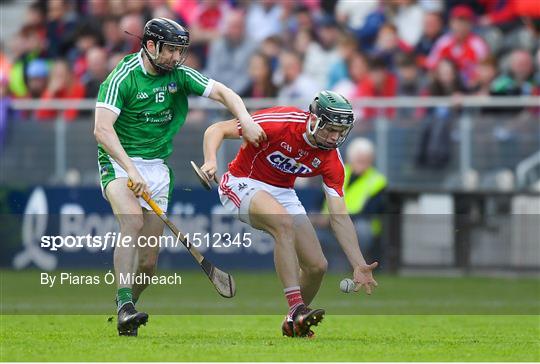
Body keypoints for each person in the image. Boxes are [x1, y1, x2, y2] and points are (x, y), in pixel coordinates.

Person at [93, 17, 265, 337]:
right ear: (150, 45)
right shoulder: (122, 77)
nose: (176, 57)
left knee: (147, 264)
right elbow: (101, 130)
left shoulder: (179, 75)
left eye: (179, 50)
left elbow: (224, 92)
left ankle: (126, 305)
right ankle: (125, 305)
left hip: (157, 168)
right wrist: (130, 170)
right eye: (170, 50)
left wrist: (245, 118)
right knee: (131, 221)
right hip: (118, 161)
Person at [201, 90, 378, 338]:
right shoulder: (280, 122)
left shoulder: (331, 159)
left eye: (341, 131)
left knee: (317, 266)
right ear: (314, 120)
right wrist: (210, 161)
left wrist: (358, 263)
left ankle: (294, 323)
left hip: (283, 192)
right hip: (243, 181)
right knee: (282, 222)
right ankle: (296, 308)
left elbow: (339, 216)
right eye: (330, 129)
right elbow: (216, 129)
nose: (335, 137)